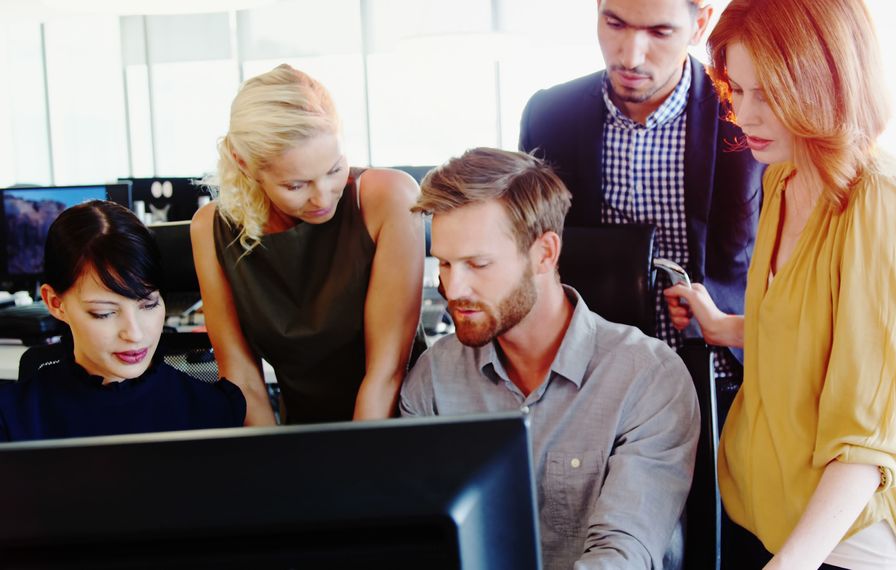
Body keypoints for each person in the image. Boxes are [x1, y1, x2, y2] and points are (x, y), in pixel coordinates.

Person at [664, 1, 896, 568]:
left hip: (846, 540)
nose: (745, 117)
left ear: (829, 82)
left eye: (769, 93)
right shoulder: (782, 178)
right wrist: (723, 325)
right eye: (737, 91)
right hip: (772, 513)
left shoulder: (881, 198)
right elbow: (815, 330)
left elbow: (873, 434)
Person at [400, 147, 700, 569]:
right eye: (445, 264)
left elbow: (622, 555)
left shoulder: (648, 377)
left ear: (545, 253)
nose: (454, 287)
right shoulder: (435, 376)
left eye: (478, 263)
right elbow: (419, 539)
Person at [518, 0, 763, 362]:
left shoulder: (745, 112)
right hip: (594, 373)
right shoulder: (549, 116)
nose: (630, 57)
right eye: (614, 24)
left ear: (699, 25)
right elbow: (531, 251)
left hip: (725, 373)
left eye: (659, 32)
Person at [192, 64, 424, 425]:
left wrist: (357, 472)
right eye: (297, 185)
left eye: (334, 169)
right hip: (303, 430)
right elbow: (242, 379)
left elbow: (386, 373)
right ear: (245, 164)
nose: (323, 197)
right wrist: (276, 468)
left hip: (396, 426)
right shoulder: (210, 228)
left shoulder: (387, 197)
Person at [0, 200, 245, 442]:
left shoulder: (212, 410)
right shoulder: (12, 418)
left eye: (148, 305)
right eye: (104, 313)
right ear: (55, 303)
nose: (135, 334)